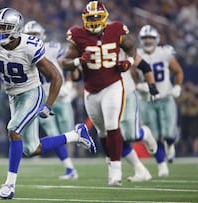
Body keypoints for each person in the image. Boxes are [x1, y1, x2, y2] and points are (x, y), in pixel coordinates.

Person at [0, 8, 96, 199]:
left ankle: (9, 185)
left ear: (16, 29)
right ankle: (76, 135)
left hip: (32, 93)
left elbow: (56, 77)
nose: (1, 32)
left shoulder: (30, 46)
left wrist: (48, 105)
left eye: (5, 28)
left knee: (14, 130)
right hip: (13, 96)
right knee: (31, 149)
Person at [60, 1, 159, 186]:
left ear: (104, 18)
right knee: (102, 131)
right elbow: (64, 61)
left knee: (114, 125)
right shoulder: (78, 34)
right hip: (91, 90)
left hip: (114, 85)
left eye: (97, 17)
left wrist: (128, 62)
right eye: (91, 18)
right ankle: (131, 167)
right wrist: (78, 61)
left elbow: (132, 50)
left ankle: (116, 170)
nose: (94, 21)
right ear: (84, 20)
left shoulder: (116, 30)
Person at [23, 20, 79, 180]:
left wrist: (69, 84)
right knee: (54, 135)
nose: (33, 37)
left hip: (61, 96)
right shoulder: (22, 52)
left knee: (67, 132)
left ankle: (71, 168)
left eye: (35, 34)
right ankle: (70, 169)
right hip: (42, 99)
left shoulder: (53, 48)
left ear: (42, 35)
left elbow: (68, 65)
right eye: (30, 35)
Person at [133, 24, 184, 177]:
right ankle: (162, 165)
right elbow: (132, 78)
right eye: (145, 38)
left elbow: (178, 71)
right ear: (141, 40)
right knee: (154, 136)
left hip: (165, 97)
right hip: (147, 100)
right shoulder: (137, 54)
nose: (148, 41)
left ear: (157, 39)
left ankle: (170, 144)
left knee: (168, 133)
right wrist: (140, 86)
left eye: (151, 38)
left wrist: (178, 86)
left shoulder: (165, 52)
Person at [119, 49, 158, 182]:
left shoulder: (121, 47)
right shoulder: (90, 46)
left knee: (131, 135)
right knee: (115, 137)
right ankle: (140, 171)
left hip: (127, 93)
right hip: (104, 97)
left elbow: (144, 66)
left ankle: (144, 133)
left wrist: (152, 86)